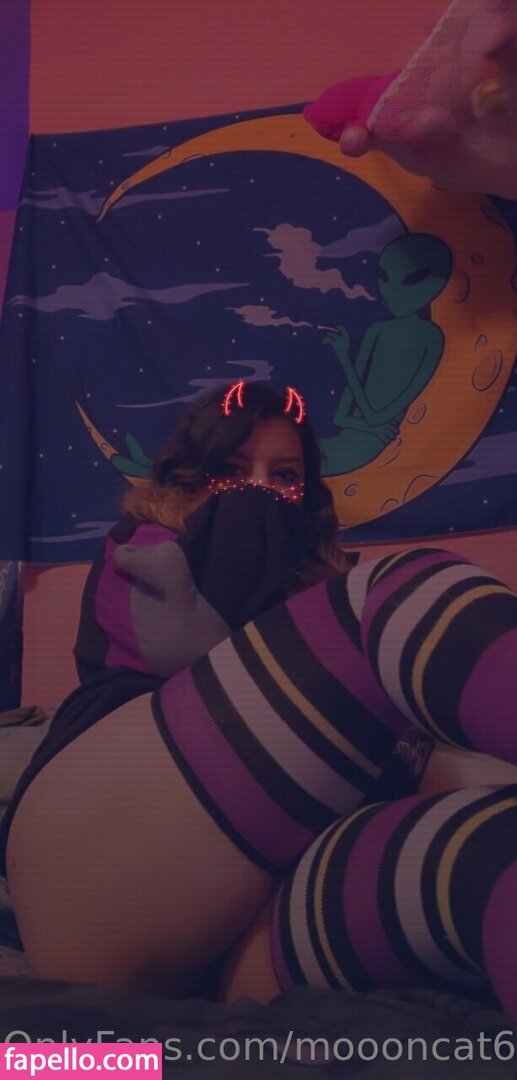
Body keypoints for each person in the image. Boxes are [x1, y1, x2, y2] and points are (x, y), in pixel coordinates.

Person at [5, 381, 517, 1024]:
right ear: (188, 476)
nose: (259, 490)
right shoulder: (141, 549)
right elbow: (198, 651)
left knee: (489, 849)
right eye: (229, 469)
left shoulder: (310, 596)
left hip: (244, 940)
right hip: (98, 852)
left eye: (285, 476)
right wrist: (252, 514)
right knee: (409, 591)